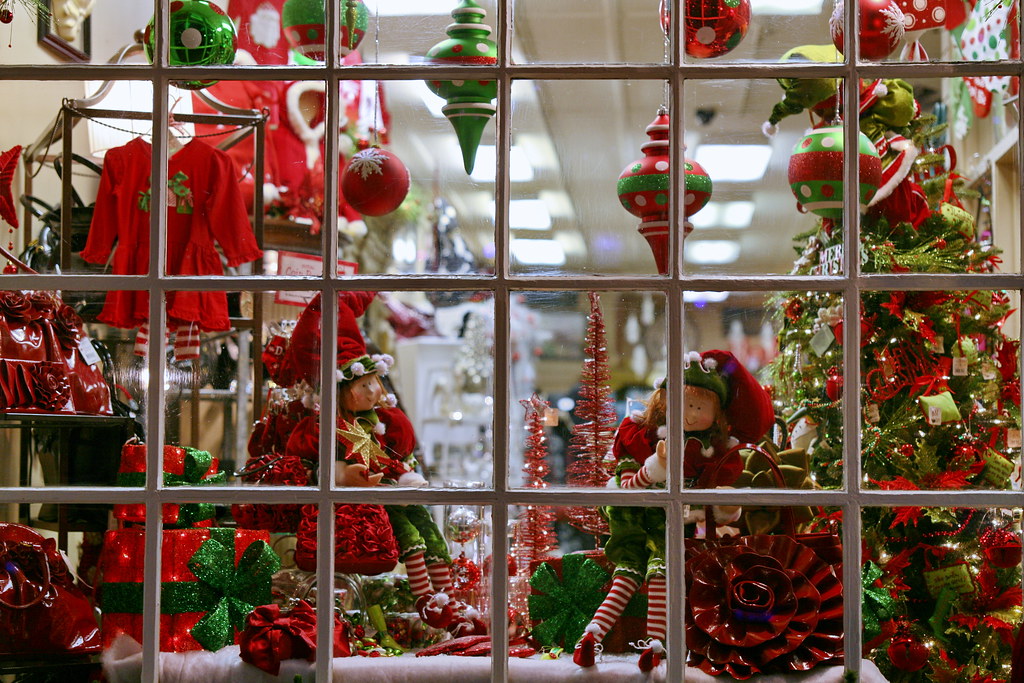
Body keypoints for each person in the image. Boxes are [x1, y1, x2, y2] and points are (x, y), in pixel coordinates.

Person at [573, 350, 774, 671]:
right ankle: (598, 637)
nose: (691, 415)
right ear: (665, 401)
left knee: (656, 574)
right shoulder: (639, 436)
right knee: (633, 573)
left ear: (717, 414)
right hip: (637, 520)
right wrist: (656, 467)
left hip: (673, 524)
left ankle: (639, 641)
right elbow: (626, 489)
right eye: (685, 405)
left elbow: (708, 497)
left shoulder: (710, 450)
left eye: (700, 408)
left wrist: (723, 506)